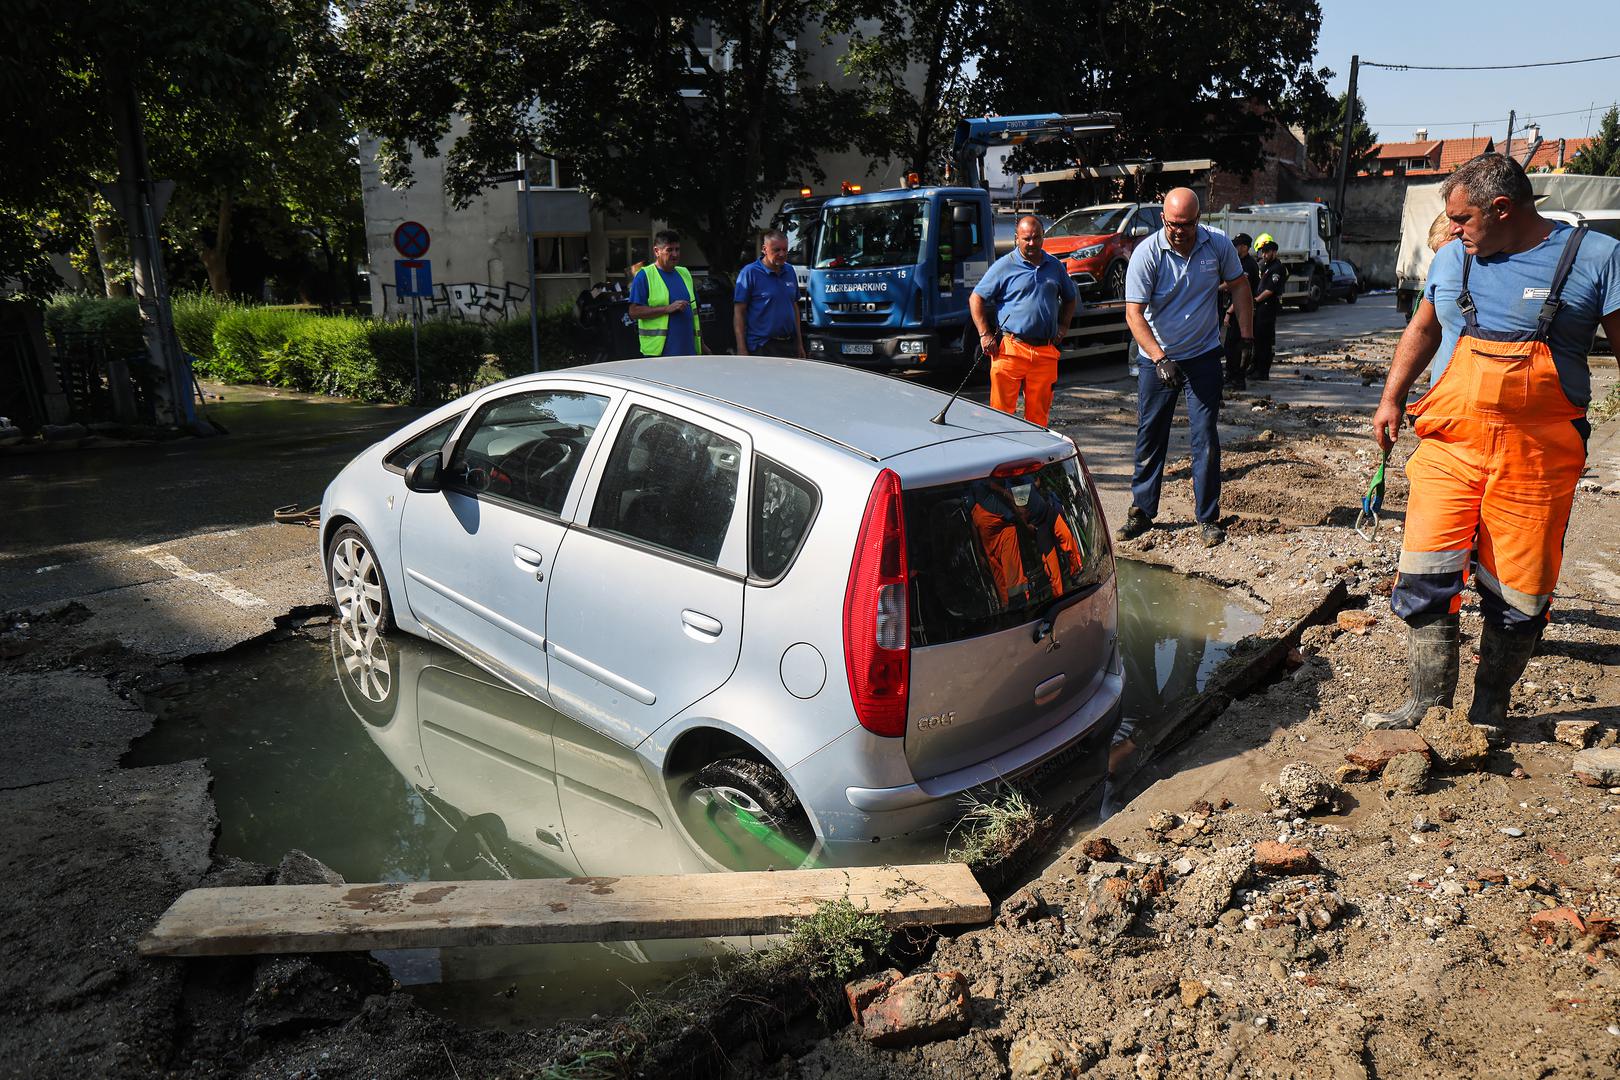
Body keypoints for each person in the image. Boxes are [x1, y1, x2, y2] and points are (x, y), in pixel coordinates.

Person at [1364, 153, 1620, 733]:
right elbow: (1424, 328)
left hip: (1536, 458)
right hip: (1450, 446)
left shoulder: (1598, 259)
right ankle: (1427, 709)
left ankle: (1486, 713)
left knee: (1518, 592)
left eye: (1461, 218)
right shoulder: (1455, 257)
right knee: (1426, 575)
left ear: (1502, 209)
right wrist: (1391, 397)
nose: (1452, 231)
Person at [1116, 188, 1253, 548]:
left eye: (1187, 224)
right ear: (1164, 219)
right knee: (1151, 433)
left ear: (1199, 219)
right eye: (1173, 224)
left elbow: (1240, 286)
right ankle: (1142, 511)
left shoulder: (1218, 246)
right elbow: (1134, 314)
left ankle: (1207, 518)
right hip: (1157, 357)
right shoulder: (1147, 254)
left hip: (1204, 356)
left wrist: (1247, 338)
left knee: (1205, 436)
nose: (1179, 231)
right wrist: (1160, 359)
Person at [969, 215, 1078, 427]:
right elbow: (976, 298)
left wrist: (1063, 326)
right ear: (1016, 238)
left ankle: (1033, 461)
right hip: (1011, 349)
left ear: (1043, 237)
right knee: (1000, 416)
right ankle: (1000, 456)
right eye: (1026, 238)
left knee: (1038, 420)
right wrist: (984, 334)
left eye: (1036, 238)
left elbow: (1070, 297)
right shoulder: (1004, 266)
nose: (1031, 243)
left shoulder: (1054, 266)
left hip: (1045, 352)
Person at [627, 230, 703, 357]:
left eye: (677, 249)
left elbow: (694, 313)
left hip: (689, 352)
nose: (675, 254)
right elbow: (633, 312)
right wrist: (667, 308)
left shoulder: (684, 273)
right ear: (657, 251)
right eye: (669, 250)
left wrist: (701, 343)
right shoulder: (644, 275)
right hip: (659, 355)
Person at [732, 229, 804, 359]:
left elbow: (794, 308)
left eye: (785, 249)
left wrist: (799, 343)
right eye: (776, 250)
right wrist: (741, 348)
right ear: (764, 249)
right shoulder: (750, 273)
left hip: (789, 344)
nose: (782, 254)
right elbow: (739, 312)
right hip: (763, 346)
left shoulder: (789, 270)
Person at [1221, 232, 1260, 390]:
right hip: (1236, 309)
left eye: (1237, 245)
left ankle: (1237, 379)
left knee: (1238, 347)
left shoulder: (1249, 265)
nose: (1234, 248)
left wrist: (1229, 312)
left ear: (1244, 247)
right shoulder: (1239, 262)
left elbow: (1242, 294)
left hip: (1241, 312)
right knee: (1230, 346)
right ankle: (1231, 376)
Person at [1250, 234, 1289, 381]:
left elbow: (1270, 290)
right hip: (1261, 309)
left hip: (1267, 308)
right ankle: (1256, 368)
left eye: (1267, 252)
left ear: (1274, 252)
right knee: (1258, 340)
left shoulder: (1277, 267)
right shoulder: (1266, 266)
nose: (1264, 255)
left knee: (1264, 342)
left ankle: (1262, 371)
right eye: (1263, 252)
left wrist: (1256, 300)